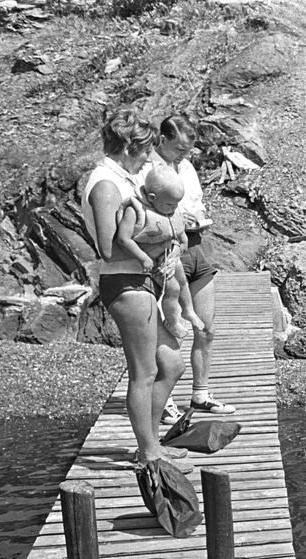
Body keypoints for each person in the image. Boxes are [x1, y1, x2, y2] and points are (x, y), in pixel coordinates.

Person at [81, 108, 190, 472]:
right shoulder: (106, 185)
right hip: (124, 282)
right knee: (143, 372)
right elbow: (107, 248)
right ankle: (148, 452)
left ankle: (152, 441)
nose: (149, 156)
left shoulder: (127, 178)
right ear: (128, 145)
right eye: (144, 149)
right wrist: (158, 246)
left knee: (171, 363)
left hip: (142, 281)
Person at [152, 115, 236, 422]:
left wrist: (198, 213)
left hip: (198, 245)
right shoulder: (148, 169)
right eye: (178, 149)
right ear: (162, 140)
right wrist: (176, 221)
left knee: (206, 327)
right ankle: (165, 400)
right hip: (169, 249)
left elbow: (197, 201)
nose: (183, 156)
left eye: (187, 151)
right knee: (173, 330)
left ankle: (201, 393)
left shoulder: (186, 167)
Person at [114, 165, 205, 341]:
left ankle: (188, 311)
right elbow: (124, 239)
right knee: (173, 289)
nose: (175, 208)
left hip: (170, 255)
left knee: (183, 282)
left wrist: (179, 247)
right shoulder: (135, 210)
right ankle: (172, 321)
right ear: (152, 198)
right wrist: (143, 258)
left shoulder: (170, 208)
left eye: (177, 204)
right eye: (171, 204)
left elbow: (178, 234)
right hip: (154, 260)